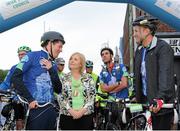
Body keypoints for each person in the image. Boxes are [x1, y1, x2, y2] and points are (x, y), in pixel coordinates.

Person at [10, 31, 64, 130]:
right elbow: (15, 77)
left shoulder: (54, 65)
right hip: (35, 108)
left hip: (51, 109)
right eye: (59, 46)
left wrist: (52, 70)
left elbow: (58, 89)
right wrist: (29, 99)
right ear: (49, 43)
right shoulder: (31, 56)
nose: (61, 50)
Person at [132, 15, 175, 130]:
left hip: (160, 106)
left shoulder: (163, 48)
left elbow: (165, 76)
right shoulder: (139, 51)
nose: (134, 34)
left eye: (136, 31)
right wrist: (134, 95)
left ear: (146, 31)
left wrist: (160, 98)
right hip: (144, 106)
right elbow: (137, 77)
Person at [59, 52, 95, 130]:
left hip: (86, 116)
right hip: (67, 116)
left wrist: (81, 112)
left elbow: (92, 97)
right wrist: (71, 111)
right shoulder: (63, 78)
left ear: (81, 64)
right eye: (71, 59)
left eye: (75, 59)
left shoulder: (88, 78)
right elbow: (60, 96)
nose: (71, 61)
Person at [0, 45, 31, 130]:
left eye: (23, 54)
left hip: (31, 98)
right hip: (17, 97)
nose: (21, 56)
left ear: (29, 55)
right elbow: (6, 83)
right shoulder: (14, 68)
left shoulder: (33, 68)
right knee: (18, 121)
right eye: (19, 54)